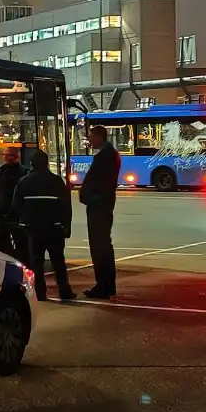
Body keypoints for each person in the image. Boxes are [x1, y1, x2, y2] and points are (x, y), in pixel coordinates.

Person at [13, 150, 73, 301]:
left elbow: (16, 207)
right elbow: (66, 206)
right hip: (53, 227)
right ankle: (64, 291)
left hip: (32, 228)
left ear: (32, 164)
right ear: (47, 163)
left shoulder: (23, 182)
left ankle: (40, 292)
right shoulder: (57, 181)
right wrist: (66, 226)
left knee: (36, 262)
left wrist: (20, 225)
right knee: (58, 261)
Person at [79, 124, 121, 299]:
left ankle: (103, 285)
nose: (89, 140)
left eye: (90, 136)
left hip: (99, 207)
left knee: (99, 246)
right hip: (101, 205)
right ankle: (107, 285)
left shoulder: (105, 157)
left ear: (99, 137)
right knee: (103, 245)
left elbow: (101, 184)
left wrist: (88, 197)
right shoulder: (109, 154)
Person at [0, 147, 26, 258]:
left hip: (16, 216)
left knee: (20, 246)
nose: (7, 158)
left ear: (16, 157)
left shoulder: (24, 172)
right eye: (5, 155)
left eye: (10, 155)